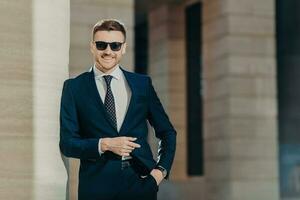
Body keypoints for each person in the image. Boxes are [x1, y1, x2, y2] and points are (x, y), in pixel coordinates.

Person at [59, 19, 176, 200]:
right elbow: (67, 143)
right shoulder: (74, 88)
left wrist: (159, 173)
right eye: (101, 45)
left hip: (141, 183)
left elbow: (167, 132)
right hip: (96, 187)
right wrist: (104, 144)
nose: (108, 51)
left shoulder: (142, 84)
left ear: (123, 48)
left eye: (115, 45)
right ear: (92, 47)